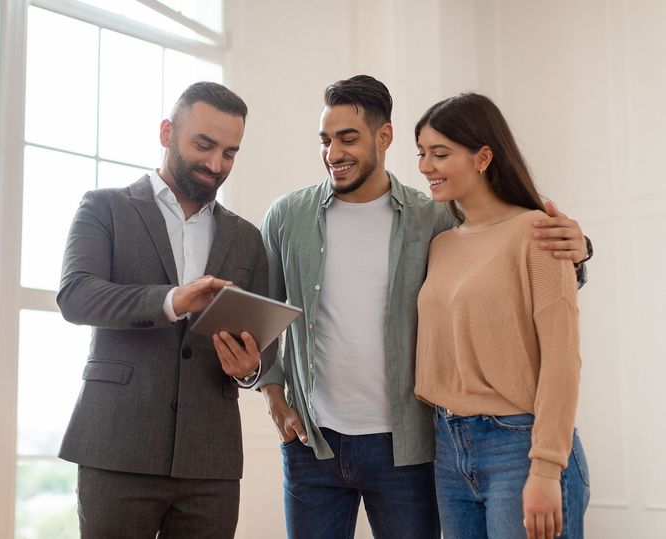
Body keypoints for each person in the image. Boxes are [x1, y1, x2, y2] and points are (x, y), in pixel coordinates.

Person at [256, 75, 591, 538]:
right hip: (345, 443)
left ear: (383, 136)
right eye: (326, 140)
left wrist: (578, 251)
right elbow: (266, 309)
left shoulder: (433, 218)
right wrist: (273, 394)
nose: (334, 153)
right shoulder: (291, 218)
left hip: (423, 445)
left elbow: (551, 332)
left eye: (348, 138)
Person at [57, 81, 276, 539]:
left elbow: (262, 350)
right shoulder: (105, 207)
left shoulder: (246, 237)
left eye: (230, 153)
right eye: (204, 145)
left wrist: (250, 369)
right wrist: (171, 300)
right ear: (166, 132)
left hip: (211, 463)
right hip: (116, 447)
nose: (217, 165)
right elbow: (76, 295)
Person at [414, 92, 590, 539]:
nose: (425, 167)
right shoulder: (441, 245)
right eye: (421, 154)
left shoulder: (537, 233)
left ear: (484, 157)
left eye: (439, 154)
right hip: (449, 449)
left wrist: (548, 469)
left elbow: (562, 360)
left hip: (519, 445)